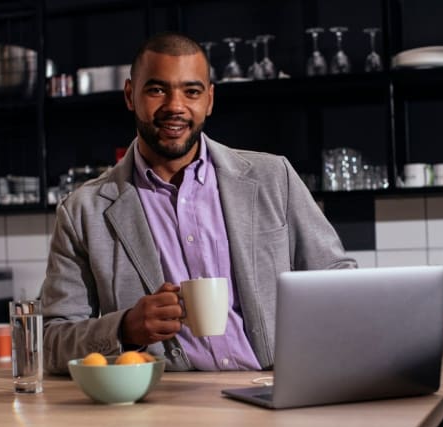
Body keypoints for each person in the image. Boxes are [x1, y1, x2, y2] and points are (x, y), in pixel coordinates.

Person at [41, 31, 356, 374]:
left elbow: (337, 282)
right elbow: (51, 342)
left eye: (191, 91)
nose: (175, 106)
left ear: (209, 99)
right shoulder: (83, 211)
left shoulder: (273, 177)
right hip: (168, 407)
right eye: (157, 89)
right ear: (131, 96)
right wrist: (125, 328)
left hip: (273, 387)